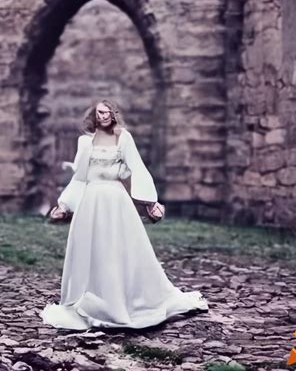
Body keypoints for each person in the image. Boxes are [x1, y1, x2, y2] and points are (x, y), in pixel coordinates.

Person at [39, 99, 208, 330]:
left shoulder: (124, 138)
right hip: (91, 201)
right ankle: (92, 298)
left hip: (116, 200)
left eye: (108, 112)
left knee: (118, 248)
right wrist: (65, 205)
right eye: (100, 112)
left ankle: (126, 301)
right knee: (92, 250)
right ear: (94, 115)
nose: (104, 116)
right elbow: (80, 178)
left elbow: (137, 168)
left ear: (113, 114)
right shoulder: (85, 142)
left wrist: (150, 202)